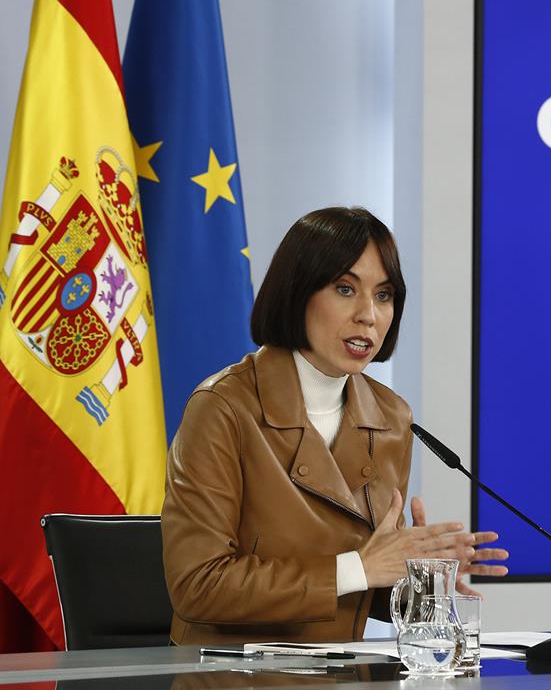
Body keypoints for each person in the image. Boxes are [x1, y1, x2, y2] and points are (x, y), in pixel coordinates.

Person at [162, 207, 508, 645]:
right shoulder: (223, 407)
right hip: (227, 676)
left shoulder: (391, 418)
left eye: (384, 295)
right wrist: (361, 567)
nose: (368, 315)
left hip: (339, 672)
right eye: (345, 289)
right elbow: (198, 586)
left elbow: (366, 587)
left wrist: (423, 580)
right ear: (297, 292)